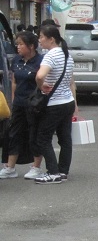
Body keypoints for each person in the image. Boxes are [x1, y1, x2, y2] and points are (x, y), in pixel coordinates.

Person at [33, 23, 77, 184]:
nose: (39, 40)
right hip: (67, 101)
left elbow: (39, 76)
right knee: (65, 139)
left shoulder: (50, 56)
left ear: (51, 39)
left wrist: (41, 86)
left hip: (54, 103)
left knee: (43, 138)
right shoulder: (67, 55)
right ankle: (63, 171)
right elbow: (71, 80)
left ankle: (53, 172)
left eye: (41, 37)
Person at [0, 31, 44, 180]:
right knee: (13, 134)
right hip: (18, 103)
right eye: (17, 44)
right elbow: (14, 81)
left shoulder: (40, 61)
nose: (17, 47)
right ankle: (10, 167)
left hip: (34, 104)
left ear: (31, 46)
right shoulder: (17, 60)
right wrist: (12, 101)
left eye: (20, 44)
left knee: (34, 134)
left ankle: (36, 167)